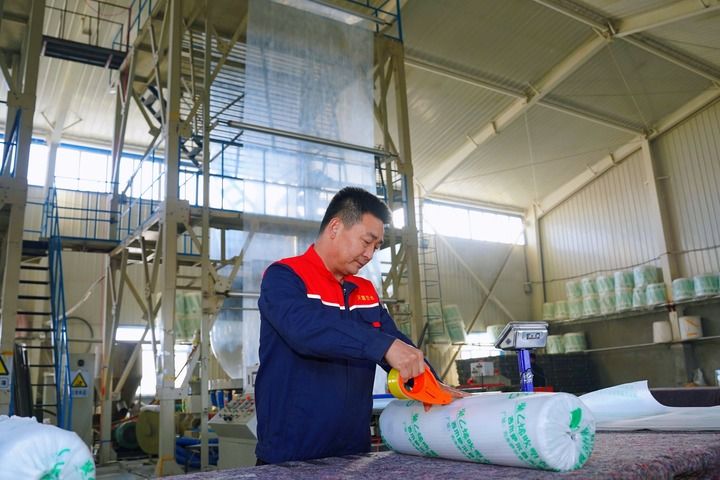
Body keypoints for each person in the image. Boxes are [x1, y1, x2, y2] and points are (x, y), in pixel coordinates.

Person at [254, 187, 458, 465]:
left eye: (377, 246)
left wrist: (436, 386)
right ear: (335, 227)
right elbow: (305, 329)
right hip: (290, 456)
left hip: (353, 453)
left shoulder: (365, 291)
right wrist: (382, 345)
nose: (370, 254)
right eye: (367, 241)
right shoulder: (285, 276)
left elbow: (397, 343)